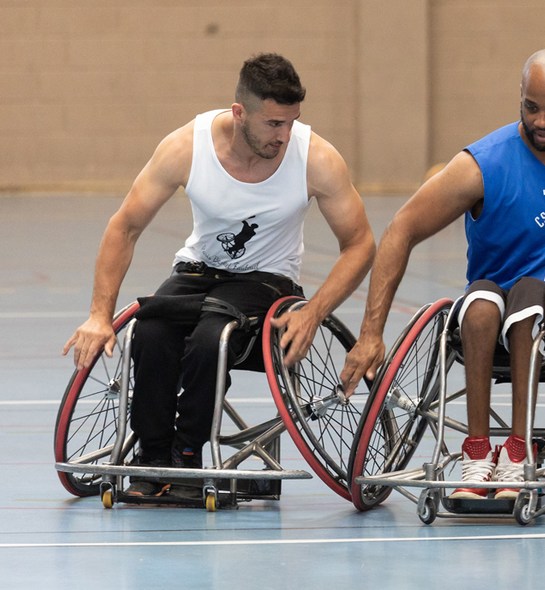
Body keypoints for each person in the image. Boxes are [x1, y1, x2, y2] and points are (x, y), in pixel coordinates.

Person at [62, 53, 376, 497]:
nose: (284, 135)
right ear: (239, 113)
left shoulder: (316, 158)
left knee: (212, 336)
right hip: (196, 272)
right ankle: (153, 460)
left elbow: (360, 243)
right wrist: (99, 313)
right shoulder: (186, 147)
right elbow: (125, 226)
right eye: (272, 124)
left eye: (291, 122)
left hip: (267, 283)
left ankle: (188, 456)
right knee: (150, 329)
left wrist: (315, 311)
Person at [343, 48, 545, 500]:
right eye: (530, 107)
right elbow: (400, 228)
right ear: (519, 97)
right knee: (482, 302)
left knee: (531, 294)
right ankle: (478, 453)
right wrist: (370, 333)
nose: (541, 121)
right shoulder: (483, 164)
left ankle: (518, 453)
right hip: (492, 308)